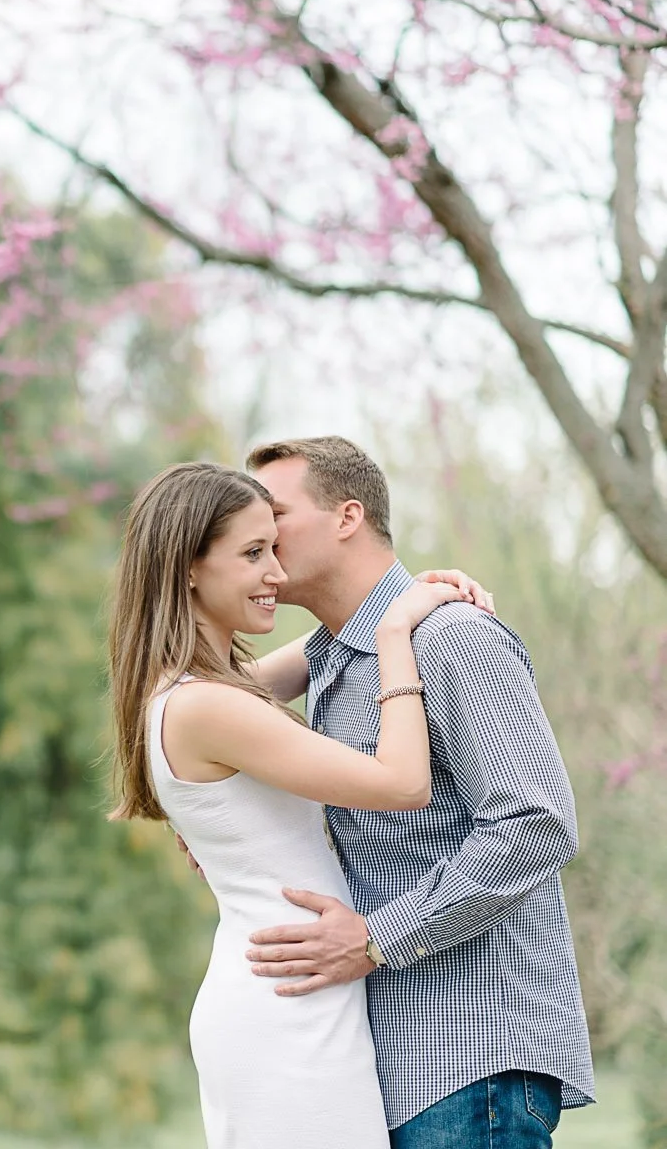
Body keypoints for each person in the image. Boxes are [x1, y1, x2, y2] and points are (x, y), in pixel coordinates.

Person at [107, 460, 484, 1146]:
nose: (276, 573)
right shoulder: (208, 708)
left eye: (274, 548)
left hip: (297, 987)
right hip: (285, 1006)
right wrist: (397, 633)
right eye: (253, 554)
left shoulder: (199, 692)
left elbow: (317, 650)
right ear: (188, 567)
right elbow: (403, 784)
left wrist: (384, 600)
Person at [237, 436, 593, 1146]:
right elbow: (195, 703)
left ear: (347, 516)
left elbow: (536, 823)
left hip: (474, 1065)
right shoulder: (333, 660)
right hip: (392, 1067)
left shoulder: (453, 638)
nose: (259, 535)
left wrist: (374, 939)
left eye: (274, 513)